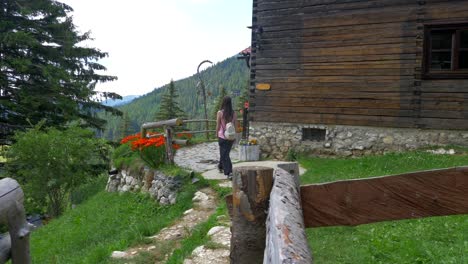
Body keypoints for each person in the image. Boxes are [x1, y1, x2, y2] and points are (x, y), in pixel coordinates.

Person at [216, 96, 237, 180]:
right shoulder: (234, 113)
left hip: (222, 136)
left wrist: (216, 133)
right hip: (231, 136)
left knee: (225, 154)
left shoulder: (220, 113)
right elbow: (236, 125)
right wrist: (235, 135)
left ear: (223, 102)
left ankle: (229, 172)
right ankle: (221, 166)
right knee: (224, 153)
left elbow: (218, 124)